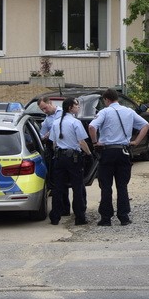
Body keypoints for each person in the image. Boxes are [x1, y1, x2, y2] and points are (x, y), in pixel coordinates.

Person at [87, 88, 149, 226]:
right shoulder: (128, 111)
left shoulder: (104, 112)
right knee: (122, 186)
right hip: (124, 151)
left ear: (106, 100)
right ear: (117, 98)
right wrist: (136, 142)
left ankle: (106, 218)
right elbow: (146, 125)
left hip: (107, 152)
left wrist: (95, 142)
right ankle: (124, 216)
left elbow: (92, 127)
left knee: (106, 186)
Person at [48, 96, 93, 226]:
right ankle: (79, 217)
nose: (78, 107)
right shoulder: (75, 122)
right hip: (73, 158)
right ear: (70, 108)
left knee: (58, 188)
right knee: (77, 187)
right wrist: (89, 154)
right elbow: (81, 142)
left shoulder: (56, 122)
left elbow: (54, 143)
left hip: (59, 158)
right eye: (76, 105)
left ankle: (55, 217)